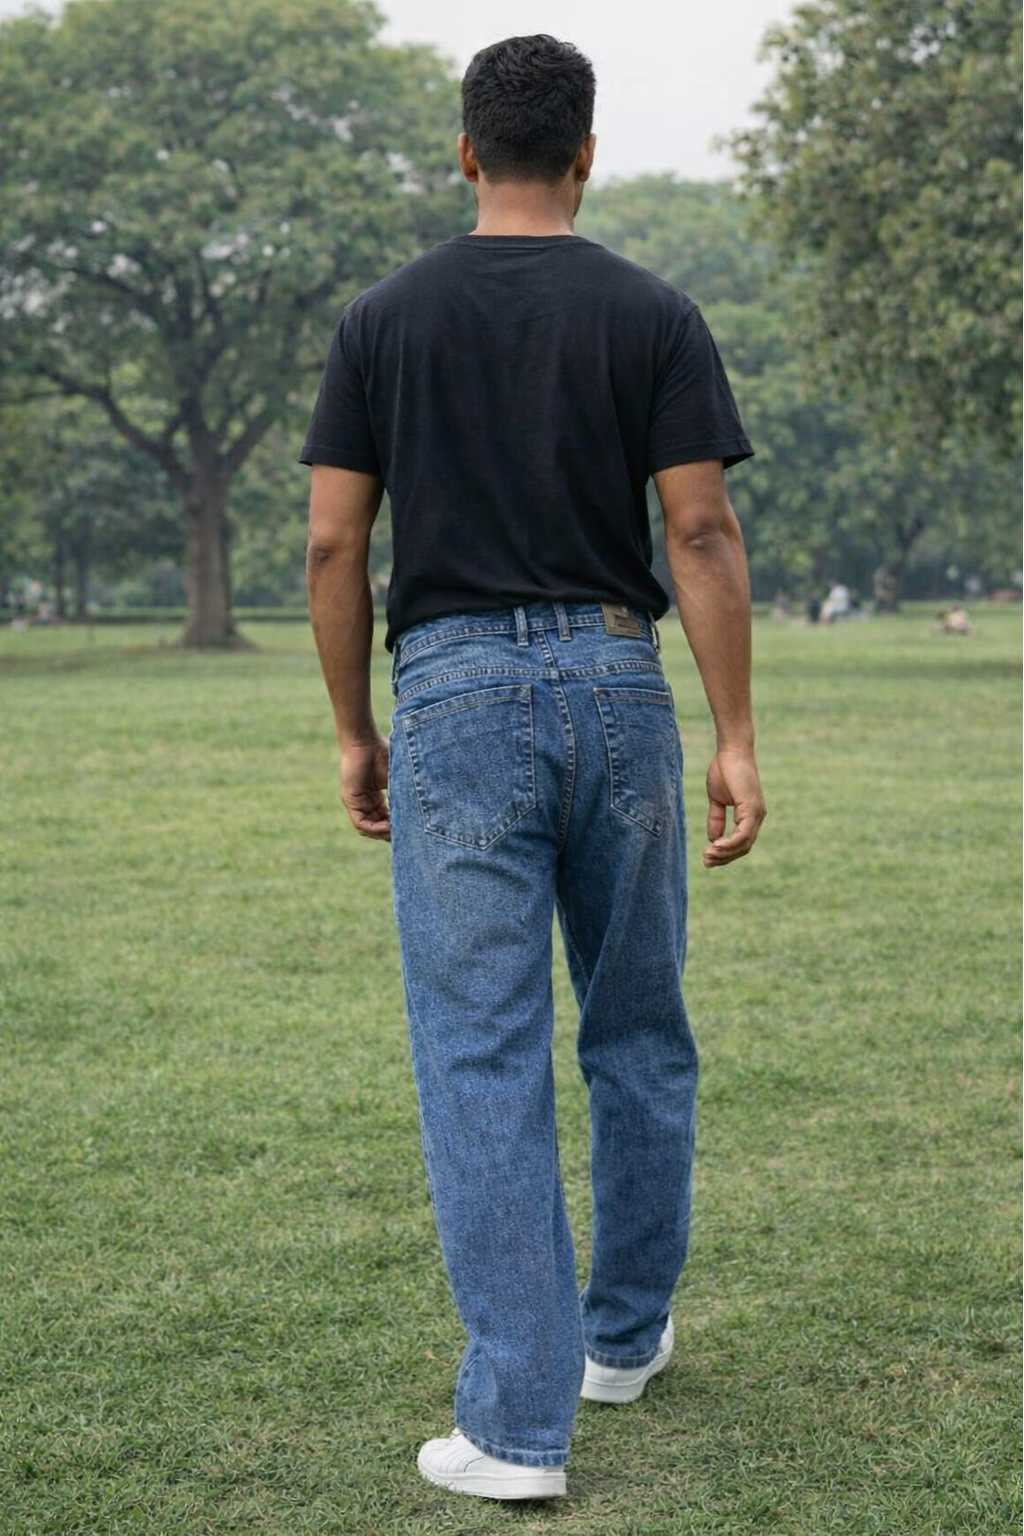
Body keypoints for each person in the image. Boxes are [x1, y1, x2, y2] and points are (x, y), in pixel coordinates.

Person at [299, 33, 766, 1502]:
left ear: (463, 153)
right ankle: (619, 1342)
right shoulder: (655, 311)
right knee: (638, 1028)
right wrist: (738, 733)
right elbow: (698, 534)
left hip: (451, 690)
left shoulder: (383, 318)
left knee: (482, 1052)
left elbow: (331, 546)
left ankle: (512, 1428)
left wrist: (352, 730)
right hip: (619, 681)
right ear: (585, 155)